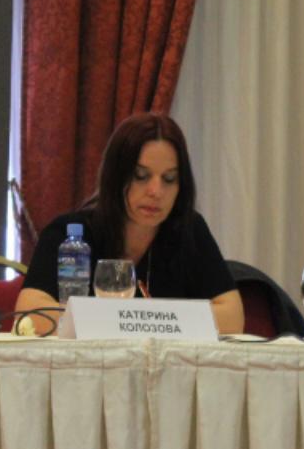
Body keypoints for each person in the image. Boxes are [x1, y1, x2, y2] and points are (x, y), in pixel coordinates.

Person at [16, 113, 244, 334]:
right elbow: (29, 315)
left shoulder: (189, 229)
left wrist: (133, 321)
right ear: (115, 177)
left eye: (169, 179)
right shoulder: (71, 234)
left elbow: (233, 317)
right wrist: (136, 321)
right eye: (141, 176)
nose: (156, 191)